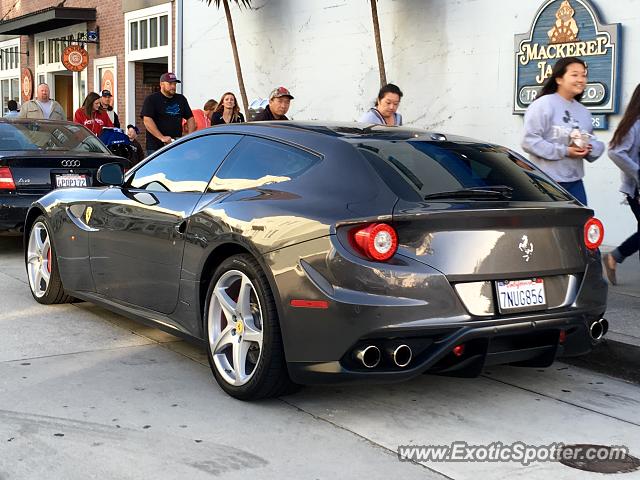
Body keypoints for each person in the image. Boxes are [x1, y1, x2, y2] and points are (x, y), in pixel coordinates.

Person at [521, 57, 604, 205]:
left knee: (579, 224)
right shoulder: (543, 105)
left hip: (575, 182)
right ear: (559, 79)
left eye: (583, 75)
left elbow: (593, 140)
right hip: (545, 182)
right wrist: (565, 151)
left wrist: (590, 148)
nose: (581, 79)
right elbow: (528, 141)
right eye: (574, 74)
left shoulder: (583, 111)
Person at [603, 83, 640, 285]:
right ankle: (614, 256)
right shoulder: (633, 125)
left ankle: (615, 256)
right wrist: (638, 173)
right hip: (636, 189)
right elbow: (614, 152)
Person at [141, 72, 195, 156]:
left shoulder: (181, 99)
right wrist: (161, 137)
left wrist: (190, 136)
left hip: (176, 144)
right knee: (157, 169)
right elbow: (147, 120)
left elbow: (190, 117)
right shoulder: (151, 99)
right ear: (161, 84)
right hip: (156, 147)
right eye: (170, 83)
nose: (173, 86)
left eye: (174, 84)